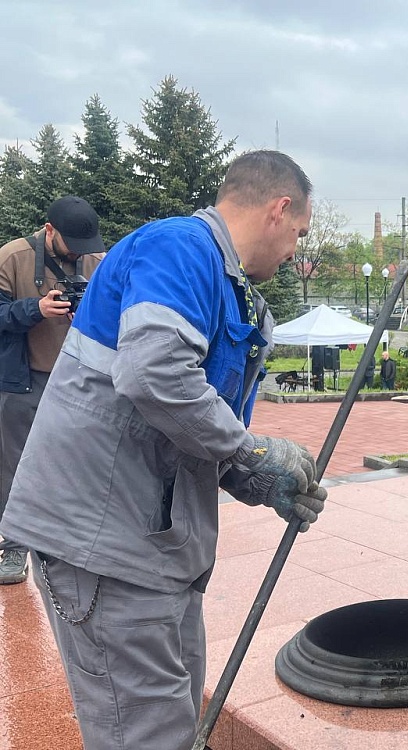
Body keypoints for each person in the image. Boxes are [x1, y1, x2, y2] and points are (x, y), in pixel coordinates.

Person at [0, 150, 327, 750]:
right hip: (103, 541)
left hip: (154, 544)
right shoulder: (179, 249)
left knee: (172, 722)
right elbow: (153, 373)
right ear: (279, 209)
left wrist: (259, 479)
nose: (294, 252)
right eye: (300, 233)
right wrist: (253, 453)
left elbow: (196, 428)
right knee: (144, 734)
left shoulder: (236, 295)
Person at [0, 196, 105, 585]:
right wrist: (36, 310)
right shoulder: (11, 257)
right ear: (49, 230)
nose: (79, 252)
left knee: (77, 462)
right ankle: (14, 547)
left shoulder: (96, 258)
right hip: (24, 381)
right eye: (71, 244)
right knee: (14, 466)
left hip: (78, 379)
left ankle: (70, 543)